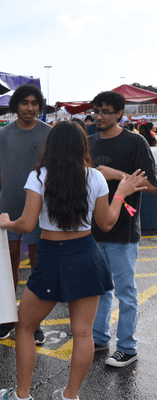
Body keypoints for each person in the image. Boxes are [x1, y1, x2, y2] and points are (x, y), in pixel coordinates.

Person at [0, 121, 147, 400]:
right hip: (85, 255)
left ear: (50, 145)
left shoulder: (39, 176)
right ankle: (70, 395)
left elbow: (27, 225)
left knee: (25, 326)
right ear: (83, 146)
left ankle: (22, 395)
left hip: (51, 257)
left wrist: (6, 222)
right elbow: (107, 222)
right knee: (83, 333)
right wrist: (121, 194)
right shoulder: (95, 177)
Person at [89, 91, 157, 368]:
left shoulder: (135, 142)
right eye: (97, 111)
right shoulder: (88, 142)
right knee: (99, 289)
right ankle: (98, 338)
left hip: (124, 230)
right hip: (92, 230)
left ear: (119, 114)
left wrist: (115, 175)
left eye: (106, 111)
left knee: (125, 291)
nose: (100, 116)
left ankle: (127, 347)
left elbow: (151, 185)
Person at [0, 84, 52, 343]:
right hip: (8, 208)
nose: (30, 108)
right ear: (16, 105)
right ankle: (8, 317)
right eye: (25, 103)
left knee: (37, 266)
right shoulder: (2, 135)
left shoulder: (49, 134)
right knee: (8, 265)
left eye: (35, 103)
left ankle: (34, 321)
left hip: (40, 209)